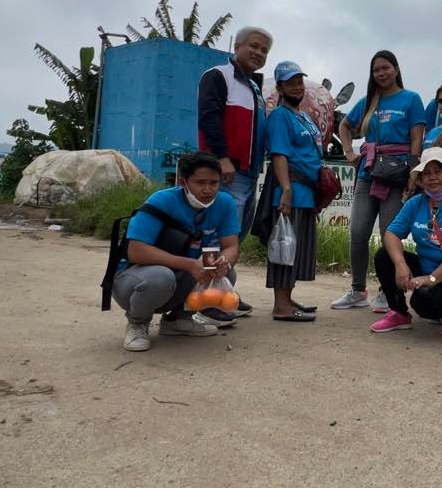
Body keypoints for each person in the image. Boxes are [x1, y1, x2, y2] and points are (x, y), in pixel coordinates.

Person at [110, 153, 240, 352]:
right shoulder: (162, 200)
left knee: (226, 272)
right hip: (133, 280)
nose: (208, 189)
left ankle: (179, 320)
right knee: (161, 277)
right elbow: (135, 251)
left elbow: (231, 246)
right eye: (200, 183)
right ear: (183, 182)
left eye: (214, 183)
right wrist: (190, 264)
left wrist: (223, 262)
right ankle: (137, 323)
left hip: (178, 275)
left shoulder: (224, 203)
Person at [332, 50, 426, 312]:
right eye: (376, 70)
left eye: (386, 68)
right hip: (368, 173)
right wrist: (348, 152)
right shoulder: (368, 101)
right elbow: (344, 126)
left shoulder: (411, 99)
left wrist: (414, 172)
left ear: (396, 69)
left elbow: (416, 139)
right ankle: (357, 290)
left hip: (397, 175)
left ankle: (387, 291)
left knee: (389, 235)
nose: (381, 73)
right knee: (358, 232)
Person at [198, 25, 272, 316]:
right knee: (216, 237)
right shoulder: (218, 76)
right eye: (253, 46)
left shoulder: (254, 88)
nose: (258, 52)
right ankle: (208, 299)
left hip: (248, 173)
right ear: (237, 47)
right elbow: (209, 118)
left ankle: (224, 288)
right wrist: (222, 158)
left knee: (234, 237)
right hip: (227, 171)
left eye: (264, 50)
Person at [372, 147, 442, 335]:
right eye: (427, 174)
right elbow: (391, 234)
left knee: (424, 298)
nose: (432, 177)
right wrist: (400, 264)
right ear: (421, 180)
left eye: (438, 171)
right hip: (426, 268)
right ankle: (398, 313)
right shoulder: (416, 203)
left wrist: (431, 279)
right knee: (384, 256)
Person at [264, 60, 323, 323]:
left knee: (296, 249)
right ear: (279, 88)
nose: (297, 87)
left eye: (299, 82)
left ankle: (287, 298)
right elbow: (279, 154)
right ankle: (281, 306)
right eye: (290, 83)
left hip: (307, 193)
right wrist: (286, 190)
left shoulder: (304, 116)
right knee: (285, 247)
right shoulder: (280, 116)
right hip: (292, 190)